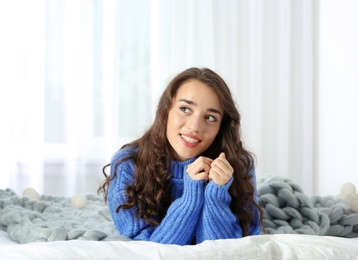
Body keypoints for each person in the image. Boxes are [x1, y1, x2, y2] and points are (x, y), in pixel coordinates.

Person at [98, 67, 263, 245]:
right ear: (166, 109)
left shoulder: (239, 164)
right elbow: (152, 250)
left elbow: (227, 251)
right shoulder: (128, 164)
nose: (194, 127)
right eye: (185, 109)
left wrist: (216, 195)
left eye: (210, 117)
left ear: (221, 126)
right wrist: (191, 197)